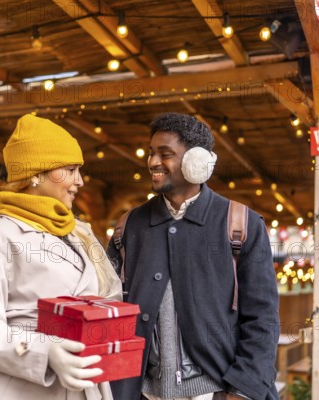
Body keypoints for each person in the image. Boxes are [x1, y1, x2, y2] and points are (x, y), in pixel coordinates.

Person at [107, 113, 279, 400]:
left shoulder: (242, 223)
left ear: (197, 160)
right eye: (151, 153)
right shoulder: (129, 226)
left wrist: (242, 390)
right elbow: (109, 310)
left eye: (165, 154)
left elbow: (263, 318)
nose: (153, 162)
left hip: (219, 393)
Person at [0, 114, 122, 400]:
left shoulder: (78, 233)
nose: (79, 181)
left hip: (82, 381)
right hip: (18, 388)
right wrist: (44, 352)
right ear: (36, 173)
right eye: (70, 169)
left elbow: (108, 296)